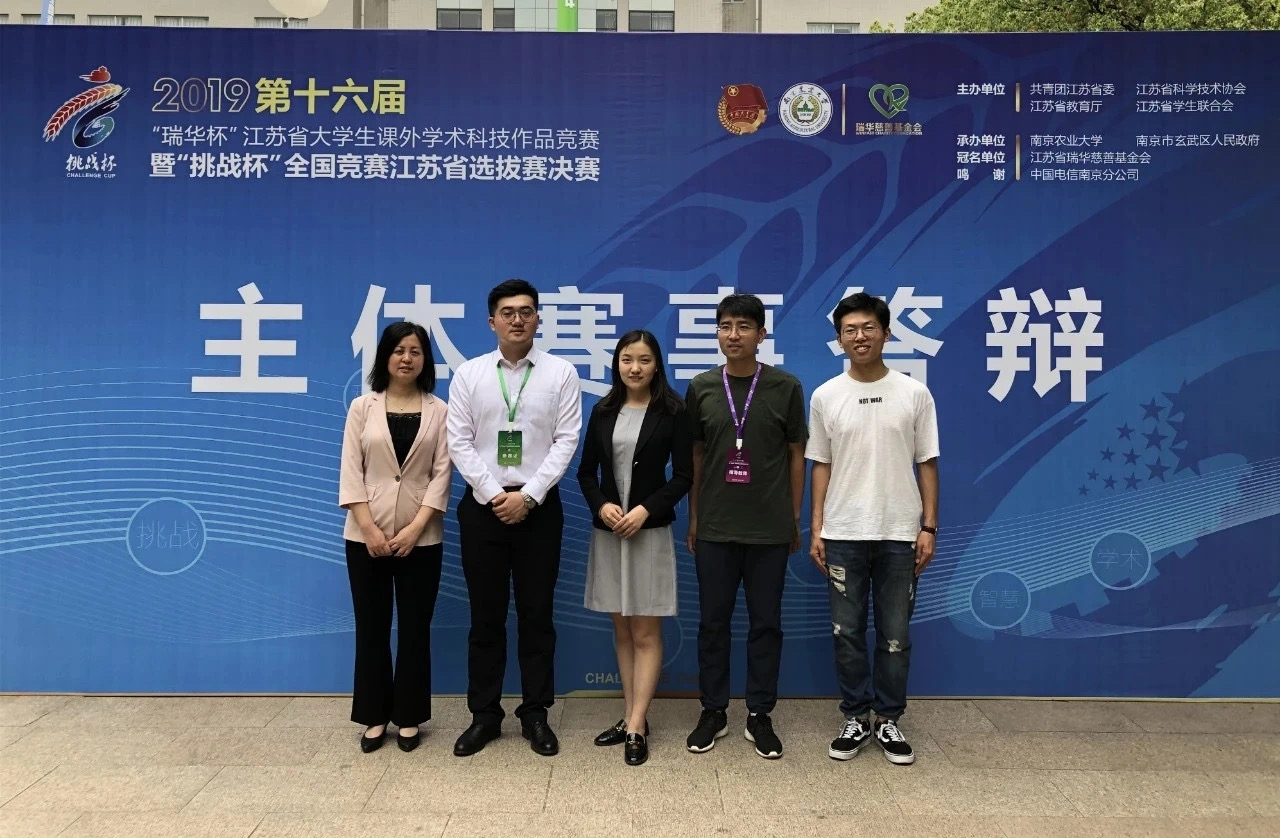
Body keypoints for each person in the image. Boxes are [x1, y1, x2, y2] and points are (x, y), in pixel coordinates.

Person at [446, 279, 582, 757]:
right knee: (485, 618)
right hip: (482, 511)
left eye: (526, 311)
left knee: (536, 616)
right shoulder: (469, 374)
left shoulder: (561, 373)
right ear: (492, 322)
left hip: (538, 509)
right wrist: (492, 494)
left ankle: (535, 714)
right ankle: (484, 716)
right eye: (508, 312)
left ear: (538, 318)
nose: (518, 319)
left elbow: (566, 440)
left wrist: (528, 496)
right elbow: (459, 441)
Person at [807, 292, 939, 766]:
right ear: (839, 339)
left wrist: (929, 526)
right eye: (850, 330)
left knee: (895, 635)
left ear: (886, 333)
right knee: (845, 632)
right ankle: (855, 716)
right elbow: (820, 464)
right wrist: (817, 527)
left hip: (899, 533)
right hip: (843, 532)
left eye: (868, 328)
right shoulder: (825, 395)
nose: (859, 337)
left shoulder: (914, 393)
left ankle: (888, 718)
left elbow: (927, 462)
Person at [683, 294, 807, 759]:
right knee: (712, 625)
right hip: (715, 528)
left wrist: (794, 518)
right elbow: (697, 456)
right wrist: (695, 517)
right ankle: (713, 711)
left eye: (743, 326)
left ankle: (759, 713)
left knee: (766, 625)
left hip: (769, 529)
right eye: (725, 326)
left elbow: (796, 454)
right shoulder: (701, 387)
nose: (733, 335)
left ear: (761, 334)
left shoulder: (785, 386)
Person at [578, 330, 692, 766]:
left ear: (656, 364)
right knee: (623, 631)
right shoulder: (603, 410)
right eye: (627, 359)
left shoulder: (673, 411)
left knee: (645, 633)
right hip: (609, 533)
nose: (635, 368)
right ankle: (630, 716)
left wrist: (646, 509)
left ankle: (638, 723)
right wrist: (602, 505)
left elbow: (684, 476)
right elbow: (586, 473)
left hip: (648, 532)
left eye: (644, 360)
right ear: (617, 364)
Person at [338, 321, 452, 754]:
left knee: (415, 629)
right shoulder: (362, 407)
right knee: (371, 627)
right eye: (399, 350)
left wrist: (415, 528)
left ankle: (408, 715)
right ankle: (373, 715)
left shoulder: (439, 410)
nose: (407, 358)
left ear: (426, 360)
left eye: (415, 351)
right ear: (385, 356)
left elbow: (442, 473)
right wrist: (368, 528)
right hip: (364, 537)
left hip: (422, 538)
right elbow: (351, 471)